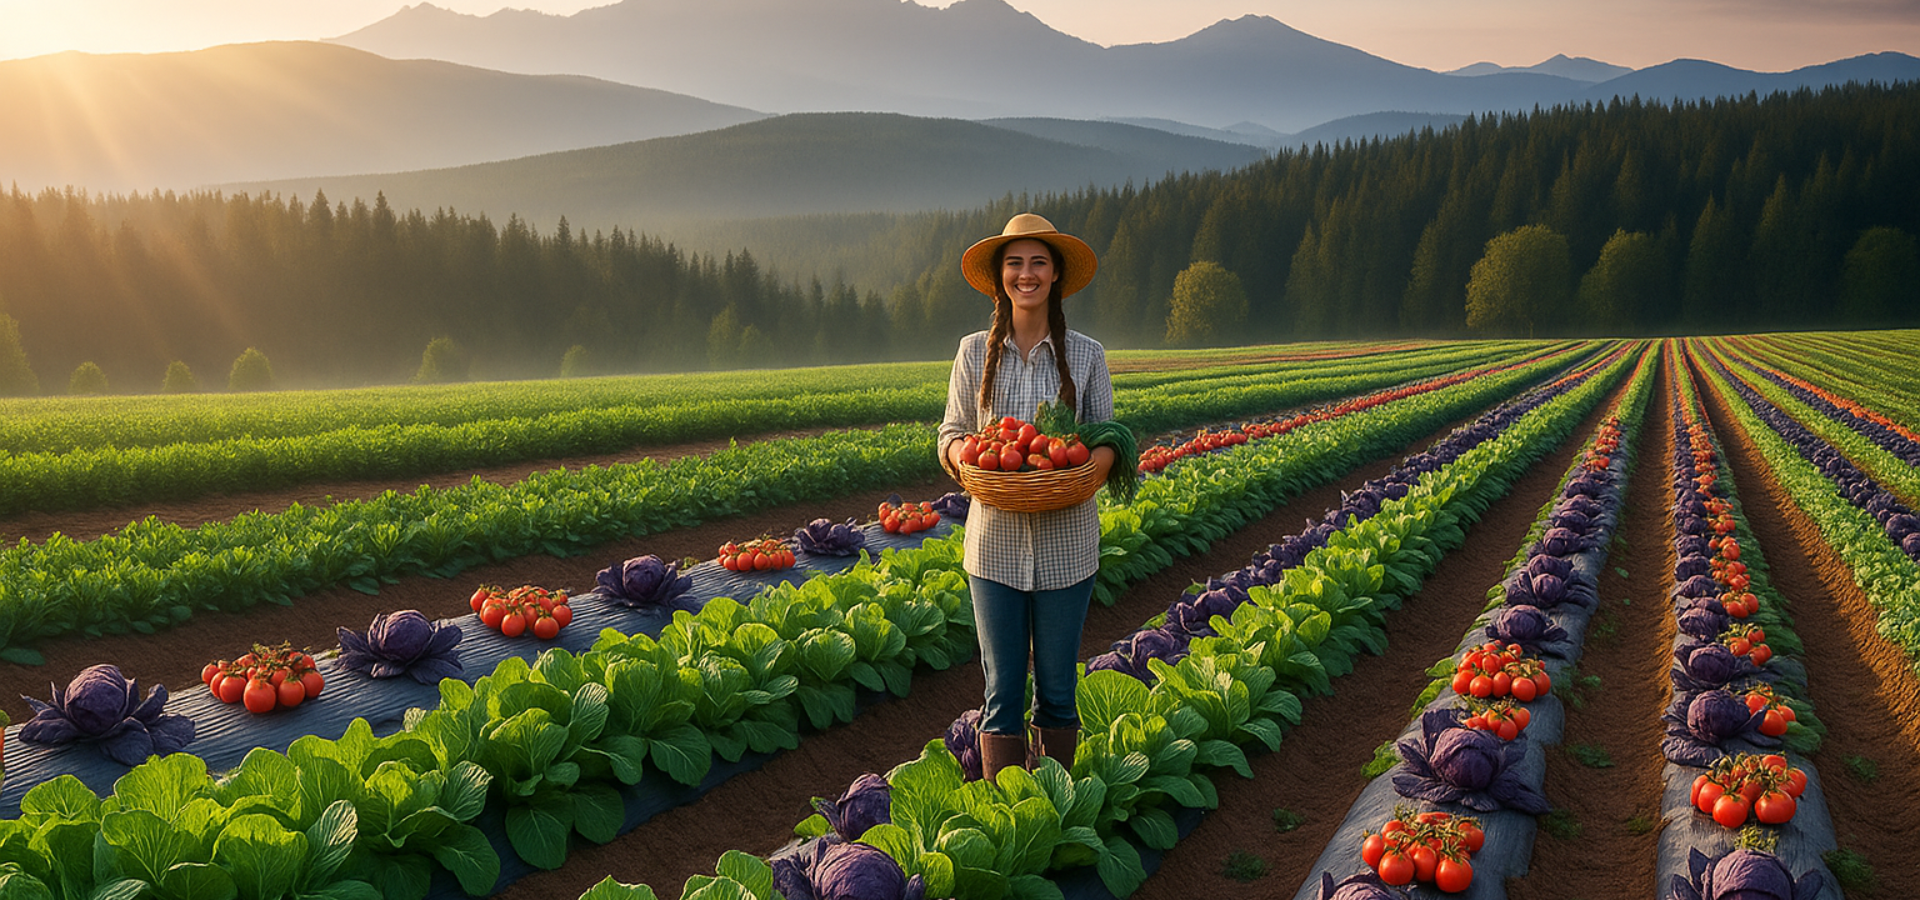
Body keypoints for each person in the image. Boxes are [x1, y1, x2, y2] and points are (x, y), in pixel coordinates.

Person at [938, 213, 1115, 781]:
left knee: (1059, 691)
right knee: (1002, 693)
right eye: (1015, 263)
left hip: (1068, 548)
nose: (1026, 274)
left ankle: (1055, 808)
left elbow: (1110, 437)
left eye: (1038, 261)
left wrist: (1089, 472)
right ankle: (1006, 812)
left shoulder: (1087, 355)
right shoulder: (972, 353)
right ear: (1000, 277)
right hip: (992, 552)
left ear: (1056, 273)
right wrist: (966, 455)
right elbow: (951, 434)